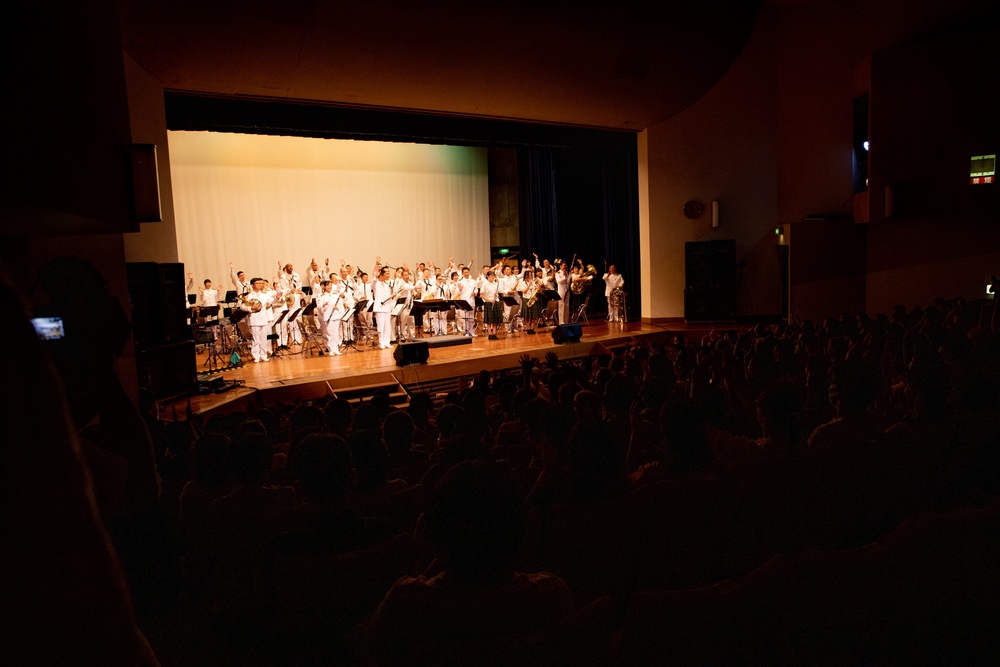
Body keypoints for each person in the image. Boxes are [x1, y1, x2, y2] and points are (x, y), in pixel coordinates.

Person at [242, 277, 280, 362]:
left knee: (264, 338)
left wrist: (277, 298)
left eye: (260, 283)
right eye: (257, 283)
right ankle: (256, 355)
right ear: (252, 285)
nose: (259, 285)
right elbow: (243, 306)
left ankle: (263, 354)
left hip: (264, 319)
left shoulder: (264, 294)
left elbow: (271, 302)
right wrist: (251, 308)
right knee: (256, 338)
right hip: (254, 318)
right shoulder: (249, 296)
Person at [372, 259, 394, 350]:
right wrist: (376, 264)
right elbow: (373, 282)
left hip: (387, 307)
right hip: (380, 308)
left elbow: (387, 296)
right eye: (386, 273)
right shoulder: (376, 284)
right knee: (380, 326)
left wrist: (393, 295)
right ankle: (381, 343)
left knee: (387, 326)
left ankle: (387, 342)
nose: (388, 275)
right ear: (381, 274)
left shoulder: (386, 284)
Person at [480, 269, 502, 340]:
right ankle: (490, 334)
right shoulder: (484, 285)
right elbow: (481, 295)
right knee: (489, 321)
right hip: (488, 303)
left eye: (494, 275)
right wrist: (489, 300)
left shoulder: (495, 284)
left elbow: (496, 294)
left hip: (495, 302)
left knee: (495, 320)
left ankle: (494, 334)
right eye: (491, 275)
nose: (493, 277)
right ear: (488, 276)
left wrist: (496, 296)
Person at [457, 266, 478, 337]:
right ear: (462, 273)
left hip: (472, 301)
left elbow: (476, 289)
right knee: (465, 317)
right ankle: (466, 331)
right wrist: (460, 289)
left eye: (467, 272)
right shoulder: (460, 282)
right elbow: (457, 293)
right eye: (465, 272)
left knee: (471, 317)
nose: (466, 273)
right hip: (464, 301)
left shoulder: (473, 281)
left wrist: (474, 293)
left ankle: (471, 331)